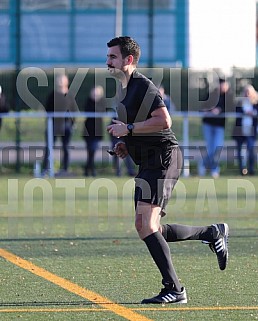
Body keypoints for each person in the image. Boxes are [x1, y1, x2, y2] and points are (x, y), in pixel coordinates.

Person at [106, 36, 229, 304]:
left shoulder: (143, 85)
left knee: (148, 225)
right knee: (145, 226)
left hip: (163, 157)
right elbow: (141, 126)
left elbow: (164, 120)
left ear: (128, 60)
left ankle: (175, 289)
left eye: (113, 57)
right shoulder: (126, 90)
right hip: (148, 160)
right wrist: (126, 145)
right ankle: (211, 232)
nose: (108, 62)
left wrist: (127, 130)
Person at [42, 74, 77, 176]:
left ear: (67, 82)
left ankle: (65, 169)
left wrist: (72, 124)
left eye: (62, 80)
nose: (60, 82)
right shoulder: (52, 95)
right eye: (59, 80)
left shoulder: (70, 96)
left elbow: (73, 111)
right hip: (53, 125)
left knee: (66, 147)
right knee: (49, 147)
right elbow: (47, 110)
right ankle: (46, 169)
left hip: (66, 126)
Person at [232, 84, 258, 176]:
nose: (247, 94)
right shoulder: (240, 103)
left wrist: (253, 113)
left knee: (251, 150)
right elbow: (236, 112)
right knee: (240, 151)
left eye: (249, 92)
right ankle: (242, 170)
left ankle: (251, 169)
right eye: (246, 92)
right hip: (240, 130)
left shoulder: (256, 104)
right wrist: (245, 112)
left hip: (251, 130)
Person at [82, 86, 104, 176]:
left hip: (97, 131)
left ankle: (89, 169)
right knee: (89, 150)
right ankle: (90, 170)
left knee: (93, 150)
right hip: (88, 130)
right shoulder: (88, 102)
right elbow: (88, 110)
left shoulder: (102, 102)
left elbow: (101, 111)